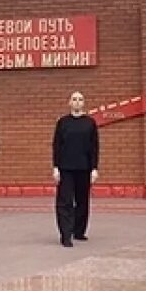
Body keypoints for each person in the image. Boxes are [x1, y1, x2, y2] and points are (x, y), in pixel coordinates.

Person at [52, 90, 101, 247]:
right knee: (65, 201)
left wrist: (94, 168)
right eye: (74, 99)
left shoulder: (90, 123)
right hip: (65, 168)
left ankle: (79, 231)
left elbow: (94, 147)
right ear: (70, 103)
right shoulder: (63, 122)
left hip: (84, 168)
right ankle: (66, 235)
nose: (77, 102)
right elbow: (56, 146)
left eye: (80, 99)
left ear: (83, 103)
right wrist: (55, 167)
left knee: (82, 201)